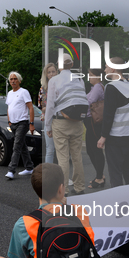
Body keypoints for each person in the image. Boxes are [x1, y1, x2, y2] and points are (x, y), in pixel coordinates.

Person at [97, 58, 129, 187]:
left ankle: (118, 205)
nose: (105, 69)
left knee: (116, 175)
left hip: (116, 138)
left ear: (113, 69)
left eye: (107, 66)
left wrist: (103, 136)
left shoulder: (112, 87)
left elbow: (109, 114)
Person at [45, 54, 88, 194]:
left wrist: (47, 125)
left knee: (62, 158)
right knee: (77, 157)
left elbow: (50, 105)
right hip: (77, 122)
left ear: (59, 65)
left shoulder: (54, 80)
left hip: (60, 122)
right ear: (72, 64)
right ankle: (80, 187)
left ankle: (63, 191)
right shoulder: (79, 79)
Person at [5, 71, 35, 179]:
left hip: (22, 123)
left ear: (19, 81)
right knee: (22, 146)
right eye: (11, 79)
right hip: (13, 123)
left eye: (15, 79)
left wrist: (31, 123)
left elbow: (30, 107)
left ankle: (11, 170)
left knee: (16, 146)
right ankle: (29, 167)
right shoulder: (9, 93)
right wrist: (9, 121)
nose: (13, 81)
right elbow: (9, 108)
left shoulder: (24, 92)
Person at [84, 68, 106, 188]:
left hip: (94, 121)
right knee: (90, 149)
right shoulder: (95, 88)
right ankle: (100, 175)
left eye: (91, 75)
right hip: (91, 121)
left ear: (98, 77)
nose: (89, 77)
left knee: (95, 150)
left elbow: (90, 101)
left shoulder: (98, 87)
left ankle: (99, 178)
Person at [38, 63, 58, 164]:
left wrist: (50, 108)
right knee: (50, 149)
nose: (51, 74)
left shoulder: (61, 86)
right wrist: (47, 108)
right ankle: (49, 173)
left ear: (57, 72)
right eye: (48, 72)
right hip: (48, 120)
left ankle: (61, 174)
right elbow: (40, 107)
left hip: (60, 120)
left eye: (53, 71)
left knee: (60, 150)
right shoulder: (43, 89)